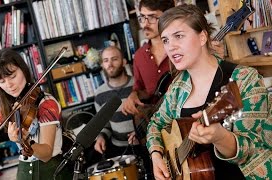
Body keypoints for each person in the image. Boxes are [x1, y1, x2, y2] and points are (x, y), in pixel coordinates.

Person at [146, 4, 271, 180]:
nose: (171, 47)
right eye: (165, 40)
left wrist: (220, 137)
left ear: (203, 37)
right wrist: (156, 155)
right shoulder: (177, 88)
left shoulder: (243, 79)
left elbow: (254, 148)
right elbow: (155, 124)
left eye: (179, 36)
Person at [0, 49, 72, 180]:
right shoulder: (9, 107)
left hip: (51, 173)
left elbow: (46, 154)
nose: (9, 85)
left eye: (12, 77)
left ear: (23, 70)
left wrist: (24, 141)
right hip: (24, 173)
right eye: (2, 81)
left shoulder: (47, 104)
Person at [122, 0, 225, 116]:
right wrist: (133, 95)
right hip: (161, 121)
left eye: (151, 17)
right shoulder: (139, 56)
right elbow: (141, 90)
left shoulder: (191, 48)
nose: (145, 24)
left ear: (168, 15)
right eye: (142, 17)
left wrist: (216, 58)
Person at [90, 46, 152, 178]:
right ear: (102, 65)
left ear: (124, 62)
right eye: (106, 60)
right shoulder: (100, 94)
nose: (110, 64)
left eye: (114, 59)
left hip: (145, 146)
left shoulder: (138, 86)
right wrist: (100, 137)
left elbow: (152, 115)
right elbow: (104, 124)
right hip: (118, 151)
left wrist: (141, 132)